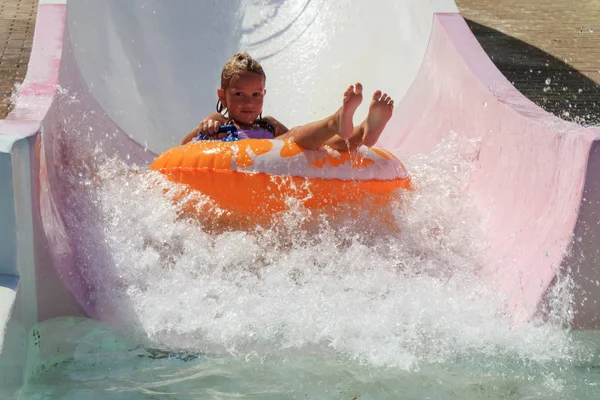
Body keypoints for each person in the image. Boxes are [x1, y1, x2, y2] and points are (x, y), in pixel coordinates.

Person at [181, 52, 394, 152]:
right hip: (237, 168)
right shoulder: (220, 121)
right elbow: (184, 146)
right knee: (291, 139)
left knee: (315, 142)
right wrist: (207, 127)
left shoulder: (268, 124)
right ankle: (335, 122)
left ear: (264, 94)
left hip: (273, 169)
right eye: (239, 95)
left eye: (256, 95)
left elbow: (302, 140)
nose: (249, 102)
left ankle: (363, 131)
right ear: (222, 97)